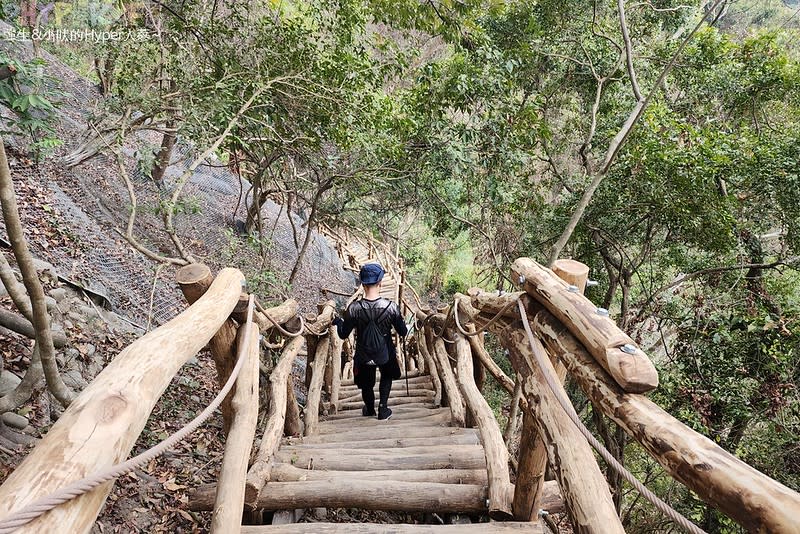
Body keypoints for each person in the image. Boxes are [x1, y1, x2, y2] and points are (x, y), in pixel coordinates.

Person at [332, 263, 408, 420]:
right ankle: (383, 408)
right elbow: (403, 332)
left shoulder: (354, 309)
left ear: (362, 284)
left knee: (367, 383)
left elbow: (343, 334)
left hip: (364, 353)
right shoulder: (391, 307)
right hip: (385, 352)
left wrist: (339, 322)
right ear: (380, 283)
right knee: (386, 375)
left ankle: (369, 408)